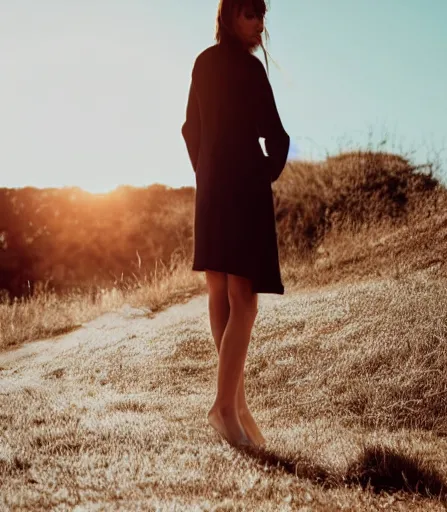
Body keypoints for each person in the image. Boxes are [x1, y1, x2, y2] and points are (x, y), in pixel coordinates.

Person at [181, 0, 290, 448]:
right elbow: (277, 137)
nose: (259, 21)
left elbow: (190, 130)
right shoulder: (249, 70)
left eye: (262, 13)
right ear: (229, 16)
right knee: (243, 301)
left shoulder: (202, 63)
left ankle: (237, 406)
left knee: (219, 294)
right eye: (250, 13)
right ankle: (224, 407)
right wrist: (260, 172)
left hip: (210, 193)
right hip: (242, 192)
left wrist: (206, 173)